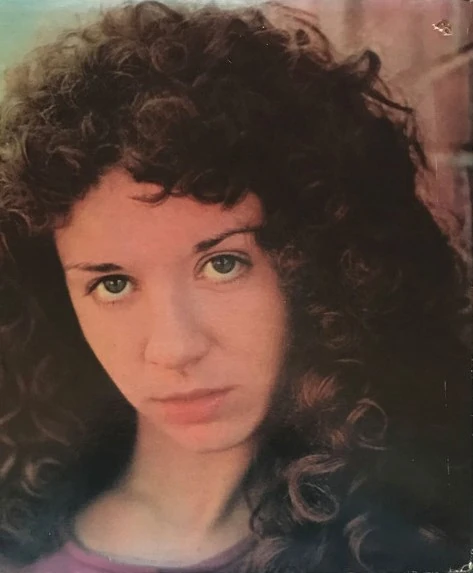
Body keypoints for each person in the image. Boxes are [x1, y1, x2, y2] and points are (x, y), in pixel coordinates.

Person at [0, 1, 470, 572]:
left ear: (319, 268)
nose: (175, 348)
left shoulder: (418, 532)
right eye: (113, 283)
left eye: (222, 264)